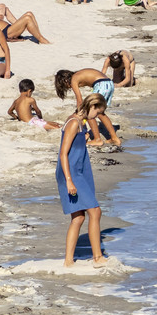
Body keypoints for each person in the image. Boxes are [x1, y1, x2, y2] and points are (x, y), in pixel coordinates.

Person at [57, 92, 109, 265]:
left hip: (80, 169)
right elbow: (63, 154)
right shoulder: (73, 123)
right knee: (95, 211)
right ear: (92, 107)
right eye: (98, 112)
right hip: (71, 172)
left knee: (78, 217)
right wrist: (69, 180)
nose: (97, 116)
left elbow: (75, 146)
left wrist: (84, 139)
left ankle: (68, 261)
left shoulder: (81, 122)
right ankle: (97, 257)